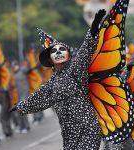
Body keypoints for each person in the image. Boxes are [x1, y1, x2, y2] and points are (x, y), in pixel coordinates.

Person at [10, 9, 106, 150]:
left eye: (62, 49)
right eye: (54, 51)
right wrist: (20, 107)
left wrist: (93, 28)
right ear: (50, 59)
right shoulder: (52, 82)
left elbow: (86, 50)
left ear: (68, 54)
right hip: (68, 133)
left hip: (87, 128)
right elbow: (39, 98)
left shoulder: (76, 69)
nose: (58, 52)